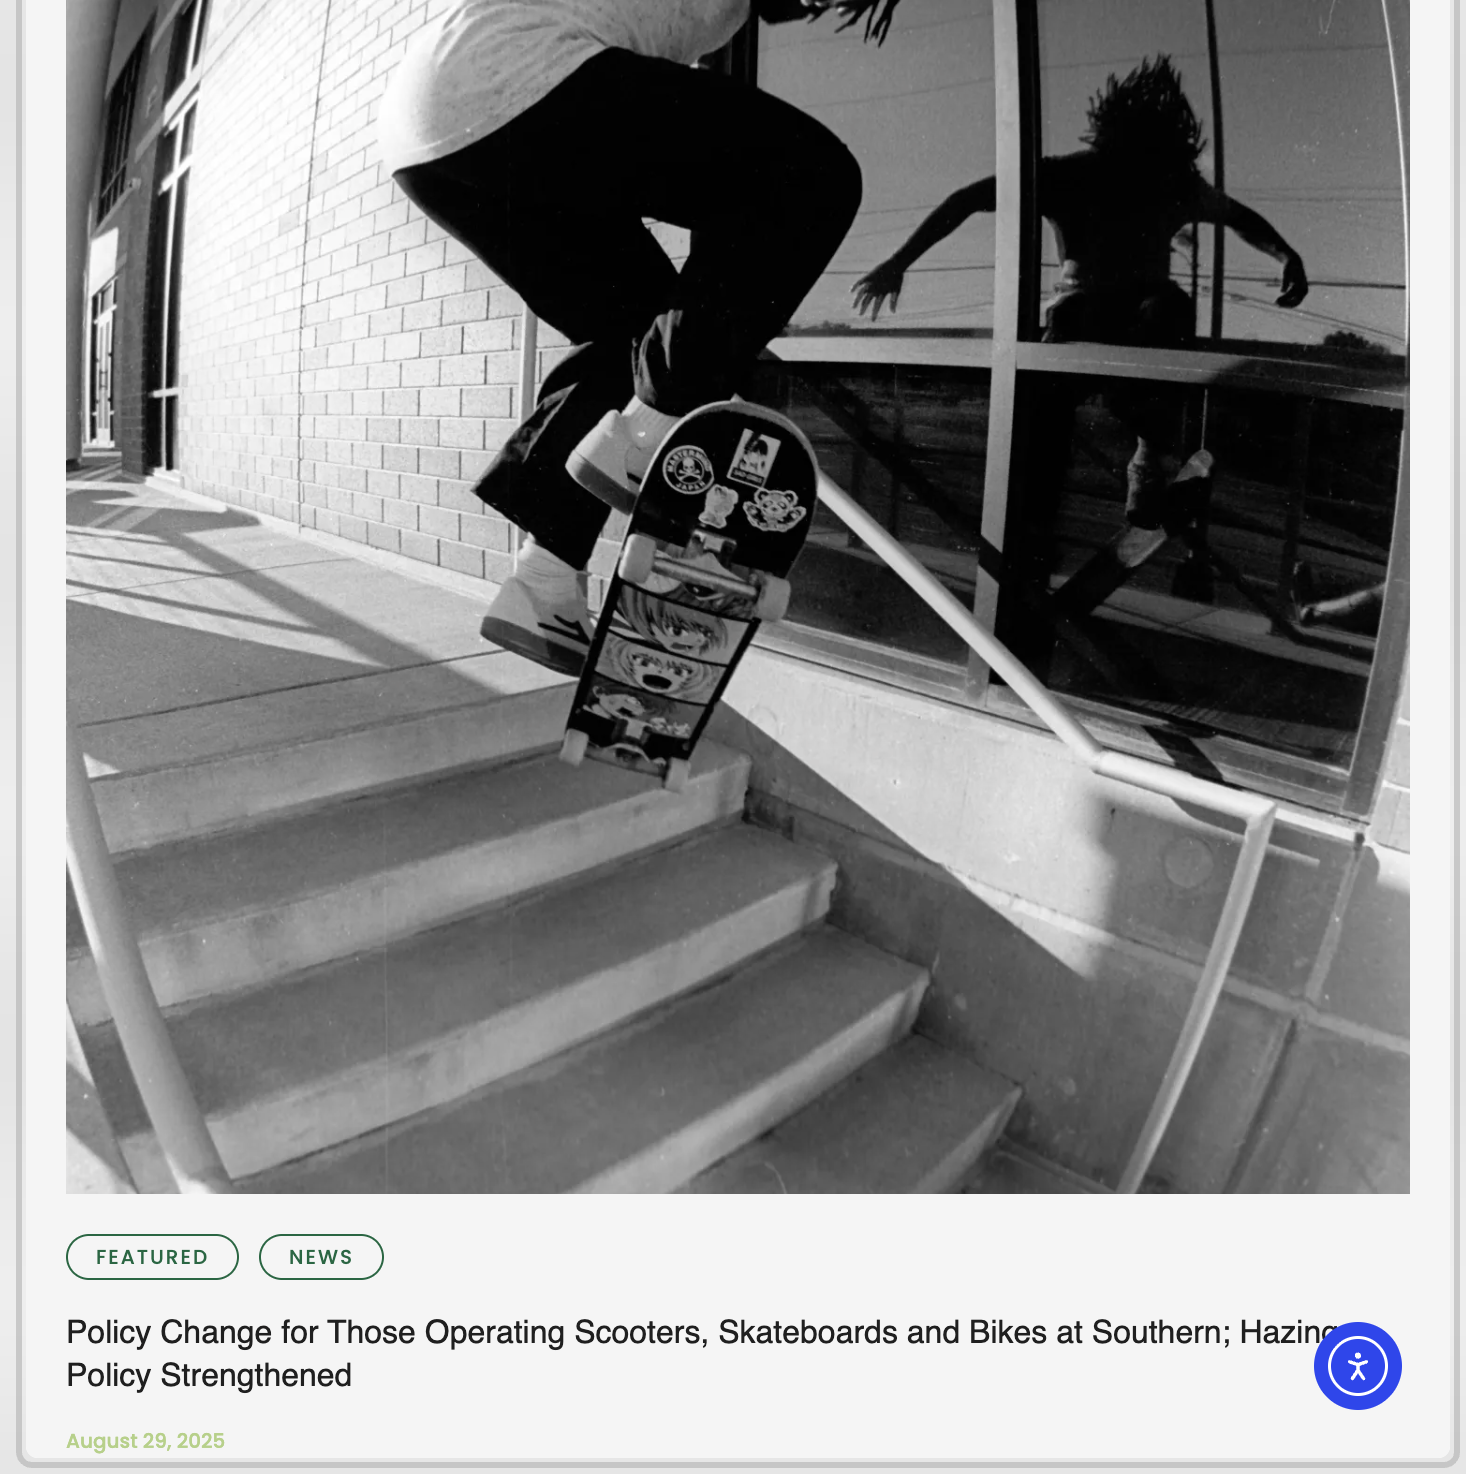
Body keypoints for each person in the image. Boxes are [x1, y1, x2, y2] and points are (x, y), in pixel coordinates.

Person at [379, 0, 902, 674]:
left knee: (634, 326)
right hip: (519, 74)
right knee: (811, 173)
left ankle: (544, 582)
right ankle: (653, 428)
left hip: (429, 131)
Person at [851, 55, 1308, 525]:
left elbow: (1240, 217)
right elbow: (968, 199)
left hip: (1138, 316)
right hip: (1081, 312)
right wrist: (898, 261)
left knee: (1166, 309)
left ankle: (1145, 458)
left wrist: (1286, 254)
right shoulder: (1072, 174)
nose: (1136, 183)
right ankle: (1055, 495)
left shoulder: (1171, 182)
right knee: (1089, 334)